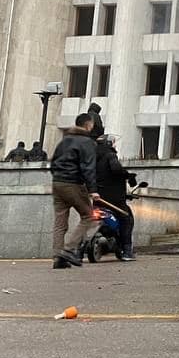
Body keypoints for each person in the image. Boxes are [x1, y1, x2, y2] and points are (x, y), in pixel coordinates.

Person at [49, 113, 101, 270]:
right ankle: (69, 249)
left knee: (60, 222)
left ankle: (58, 257)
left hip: (57, 183)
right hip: (73, 183)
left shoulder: (64, 140)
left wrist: (57, 177)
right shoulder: (87, 142)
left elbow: (53, 162)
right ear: (88, 125)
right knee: (89, 216)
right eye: (92, 125)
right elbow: (88, 167)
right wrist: (93, 190)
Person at [95, 134, 137, 261]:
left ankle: (78, 252)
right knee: (126, 219)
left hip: (97, 197)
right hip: (114, 198)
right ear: (109, 144)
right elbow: (116, 169)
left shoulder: (92, 157)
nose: (115, 145)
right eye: (113, 142)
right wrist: (128, 175)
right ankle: (127, 251)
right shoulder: (110, 155)